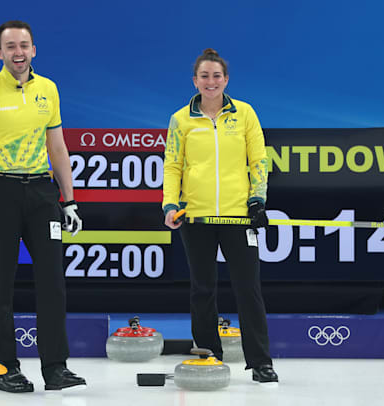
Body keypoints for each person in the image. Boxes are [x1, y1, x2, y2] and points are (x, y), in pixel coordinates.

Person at [0, 20, 86, 393]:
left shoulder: (48, 90)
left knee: (52, 283)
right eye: (10, 47)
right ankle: (6, 368)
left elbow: (57, 148)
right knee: (3, 284)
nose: (18, 53)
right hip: (0, 192)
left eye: (24, 45)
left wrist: (69, 199)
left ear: (34, 50)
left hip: (42, 193)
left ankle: (56, 368)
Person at [162, 48, 278, 383]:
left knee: (248, 289)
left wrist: (257, 200)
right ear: (194, 81)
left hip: (238, 218)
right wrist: (171, 204)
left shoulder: (244, 114)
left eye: (216, 76)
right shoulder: (180, 119)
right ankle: (208, 354)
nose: (210, 82)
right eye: (204, 76)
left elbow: (259, 160)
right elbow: (172, 165)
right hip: (195, 218)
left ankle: (260, 362)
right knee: (202, 288)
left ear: (226, 80)